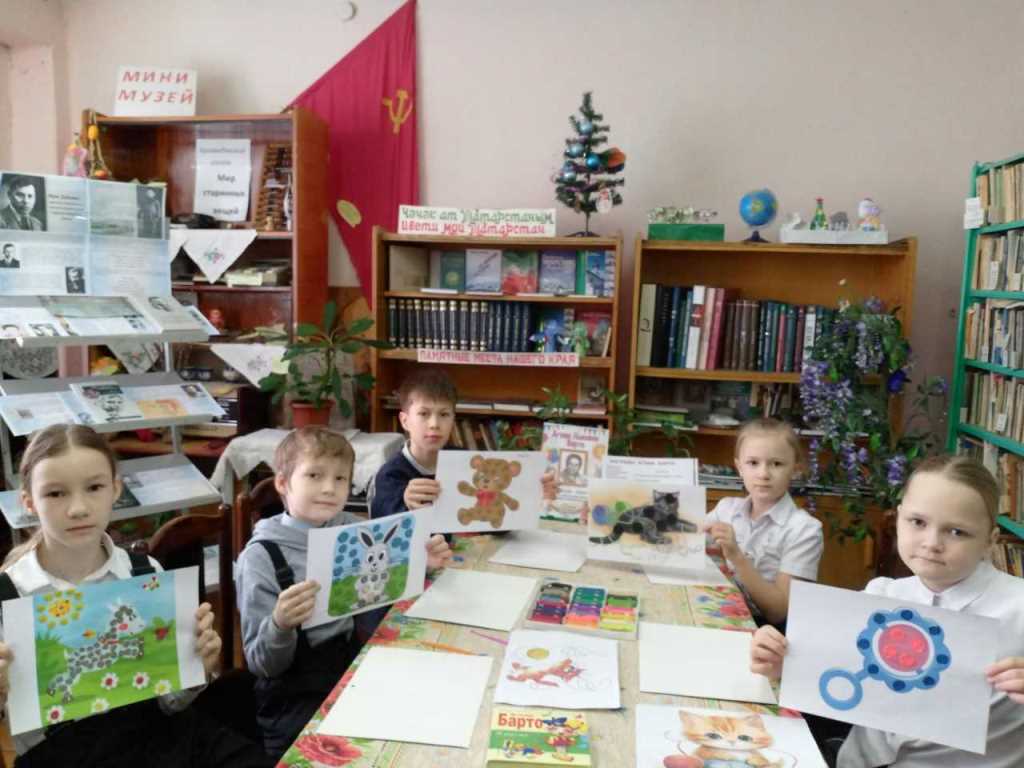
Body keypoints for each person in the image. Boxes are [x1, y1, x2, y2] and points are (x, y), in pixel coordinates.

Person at [0, 424, 271, 768]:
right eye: (55, 493)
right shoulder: (9, 596)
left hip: (163, 737)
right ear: (28, 502)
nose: (78, 508)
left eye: (94, 487)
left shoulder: (144, 573)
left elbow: (170, 704)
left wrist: (196, 669)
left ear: (115, 489)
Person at [750, 454, 1024, 767]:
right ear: (899, 518)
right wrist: (780, 662)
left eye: (957, 532)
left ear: (990, 541)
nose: (932, 543)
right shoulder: (881, 597)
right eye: (918, 522)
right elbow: (821, 676)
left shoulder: (1018, 607)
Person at [234, 426, 452, 757]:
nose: (328, 488)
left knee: (414, 723)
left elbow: (381, 584)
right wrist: (280, 623)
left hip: (349, 669)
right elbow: (261, 663)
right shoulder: (260, 557)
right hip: (292, 698)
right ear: (282, 483)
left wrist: (421, 562)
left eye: (340, 479)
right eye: (314, 475)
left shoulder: (351, 528)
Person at [368, 368, 558, 519]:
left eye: (444, 414)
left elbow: (491, 520)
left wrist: (531, 496)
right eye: (424, 414)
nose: (434, 424)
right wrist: (406, 505)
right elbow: (381, 528)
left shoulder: (464, 462)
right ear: (405, 421)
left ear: (453, 419)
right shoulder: (390, 475)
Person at [702, 417, 823, 626]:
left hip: (765, 630)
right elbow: (687, 543)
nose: (763, 473)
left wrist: (737, 557)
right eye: (753, 463)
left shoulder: (805, 530)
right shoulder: (725, 509)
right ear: (739, 467)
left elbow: (778, 613)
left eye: (776, 464)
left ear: (795, 469)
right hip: (716, 610)